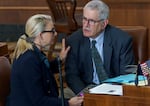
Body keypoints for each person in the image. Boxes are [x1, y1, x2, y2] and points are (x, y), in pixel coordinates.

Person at [8, 14, 83, 106]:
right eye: (52, 31)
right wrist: (69, 103)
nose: (55, 34)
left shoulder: (34, 53)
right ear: (41, 35)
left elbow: (43, 70)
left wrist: (60, 59)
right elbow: (39, 102)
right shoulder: (28, 61)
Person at [65, 0, 135, 96]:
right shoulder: (74, 41)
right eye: (84, 19)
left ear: (104, 23)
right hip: (86, 88)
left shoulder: (122, 41)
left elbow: (127, 76)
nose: (86, 25)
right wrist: (84, 95)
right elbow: (72, 76)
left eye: (92, 21)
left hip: (114, 89)